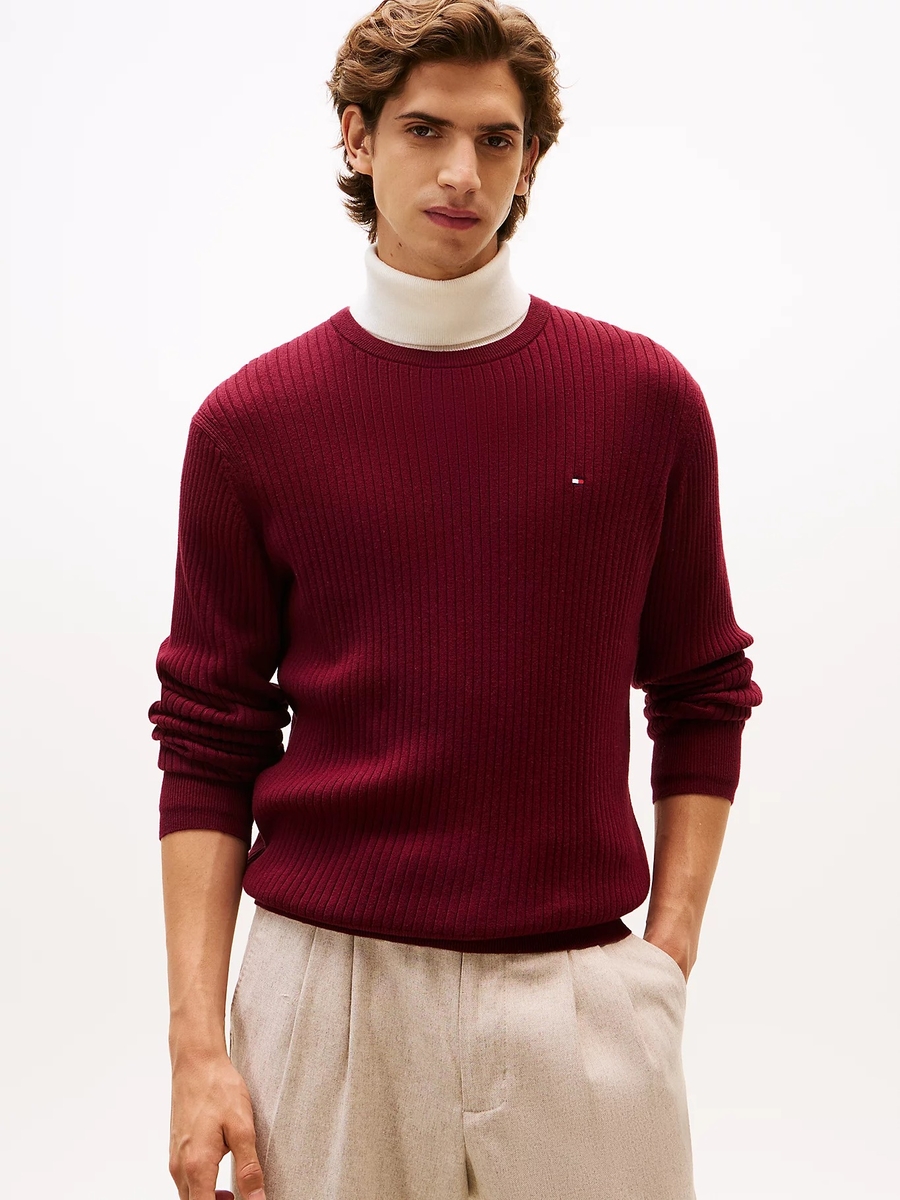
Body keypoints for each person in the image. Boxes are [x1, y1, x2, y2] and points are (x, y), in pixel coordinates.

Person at [149, 2, 763, 1198]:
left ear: (531, 160)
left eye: (497, 139)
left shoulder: (645, 404)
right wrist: (196, 1050)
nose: (461, 172)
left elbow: (703, 689)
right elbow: (208, 737)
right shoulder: (251, 427)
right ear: (357, 137)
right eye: (425, 129)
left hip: (580, 999)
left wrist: (666, 960)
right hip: (327, 1002)